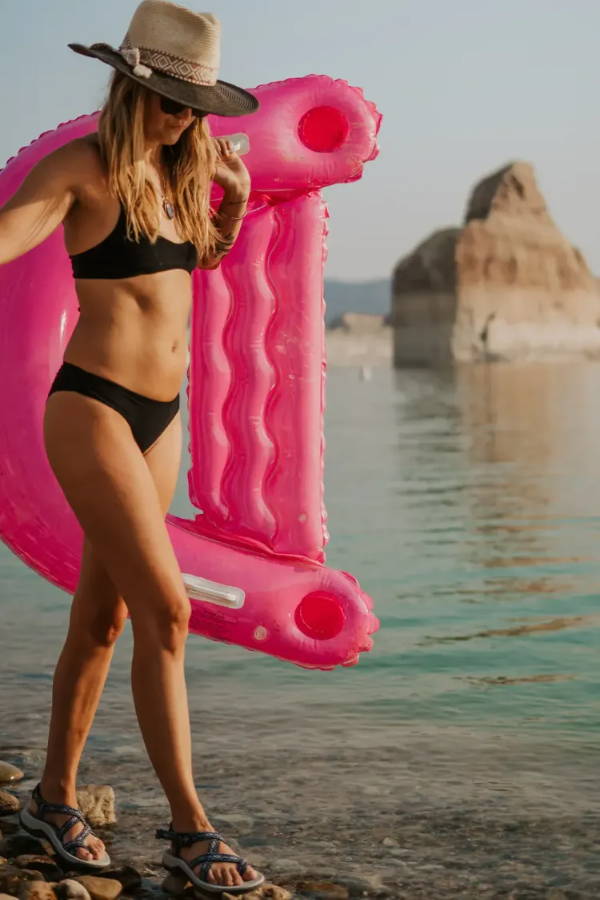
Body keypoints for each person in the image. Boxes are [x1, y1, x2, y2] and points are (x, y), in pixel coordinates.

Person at [1, 1, 265, 894]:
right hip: (93, 410)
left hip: (162, 420)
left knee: (103, 620)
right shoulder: (81, 169)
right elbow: (6, 240)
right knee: (170, 612)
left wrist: (227, 200)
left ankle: (51, 799)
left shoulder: (181, 171)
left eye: (193, 104)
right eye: (164, 99)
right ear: (129, 87)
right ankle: (192, 829)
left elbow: (197, 267)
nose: (182, 116)